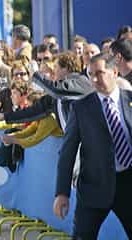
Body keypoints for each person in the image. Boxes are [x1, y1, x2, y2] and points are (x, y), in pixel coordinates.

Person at [53, 53, 132, 239]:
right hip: (94, 187)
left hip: (128, 184)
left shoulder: (129, 100)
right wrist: (61, 193)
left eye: (100, 73)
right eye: (90, 74)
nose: (94, 79)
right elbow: (67, 152)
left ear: (114, 71)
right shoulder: (81, 108)